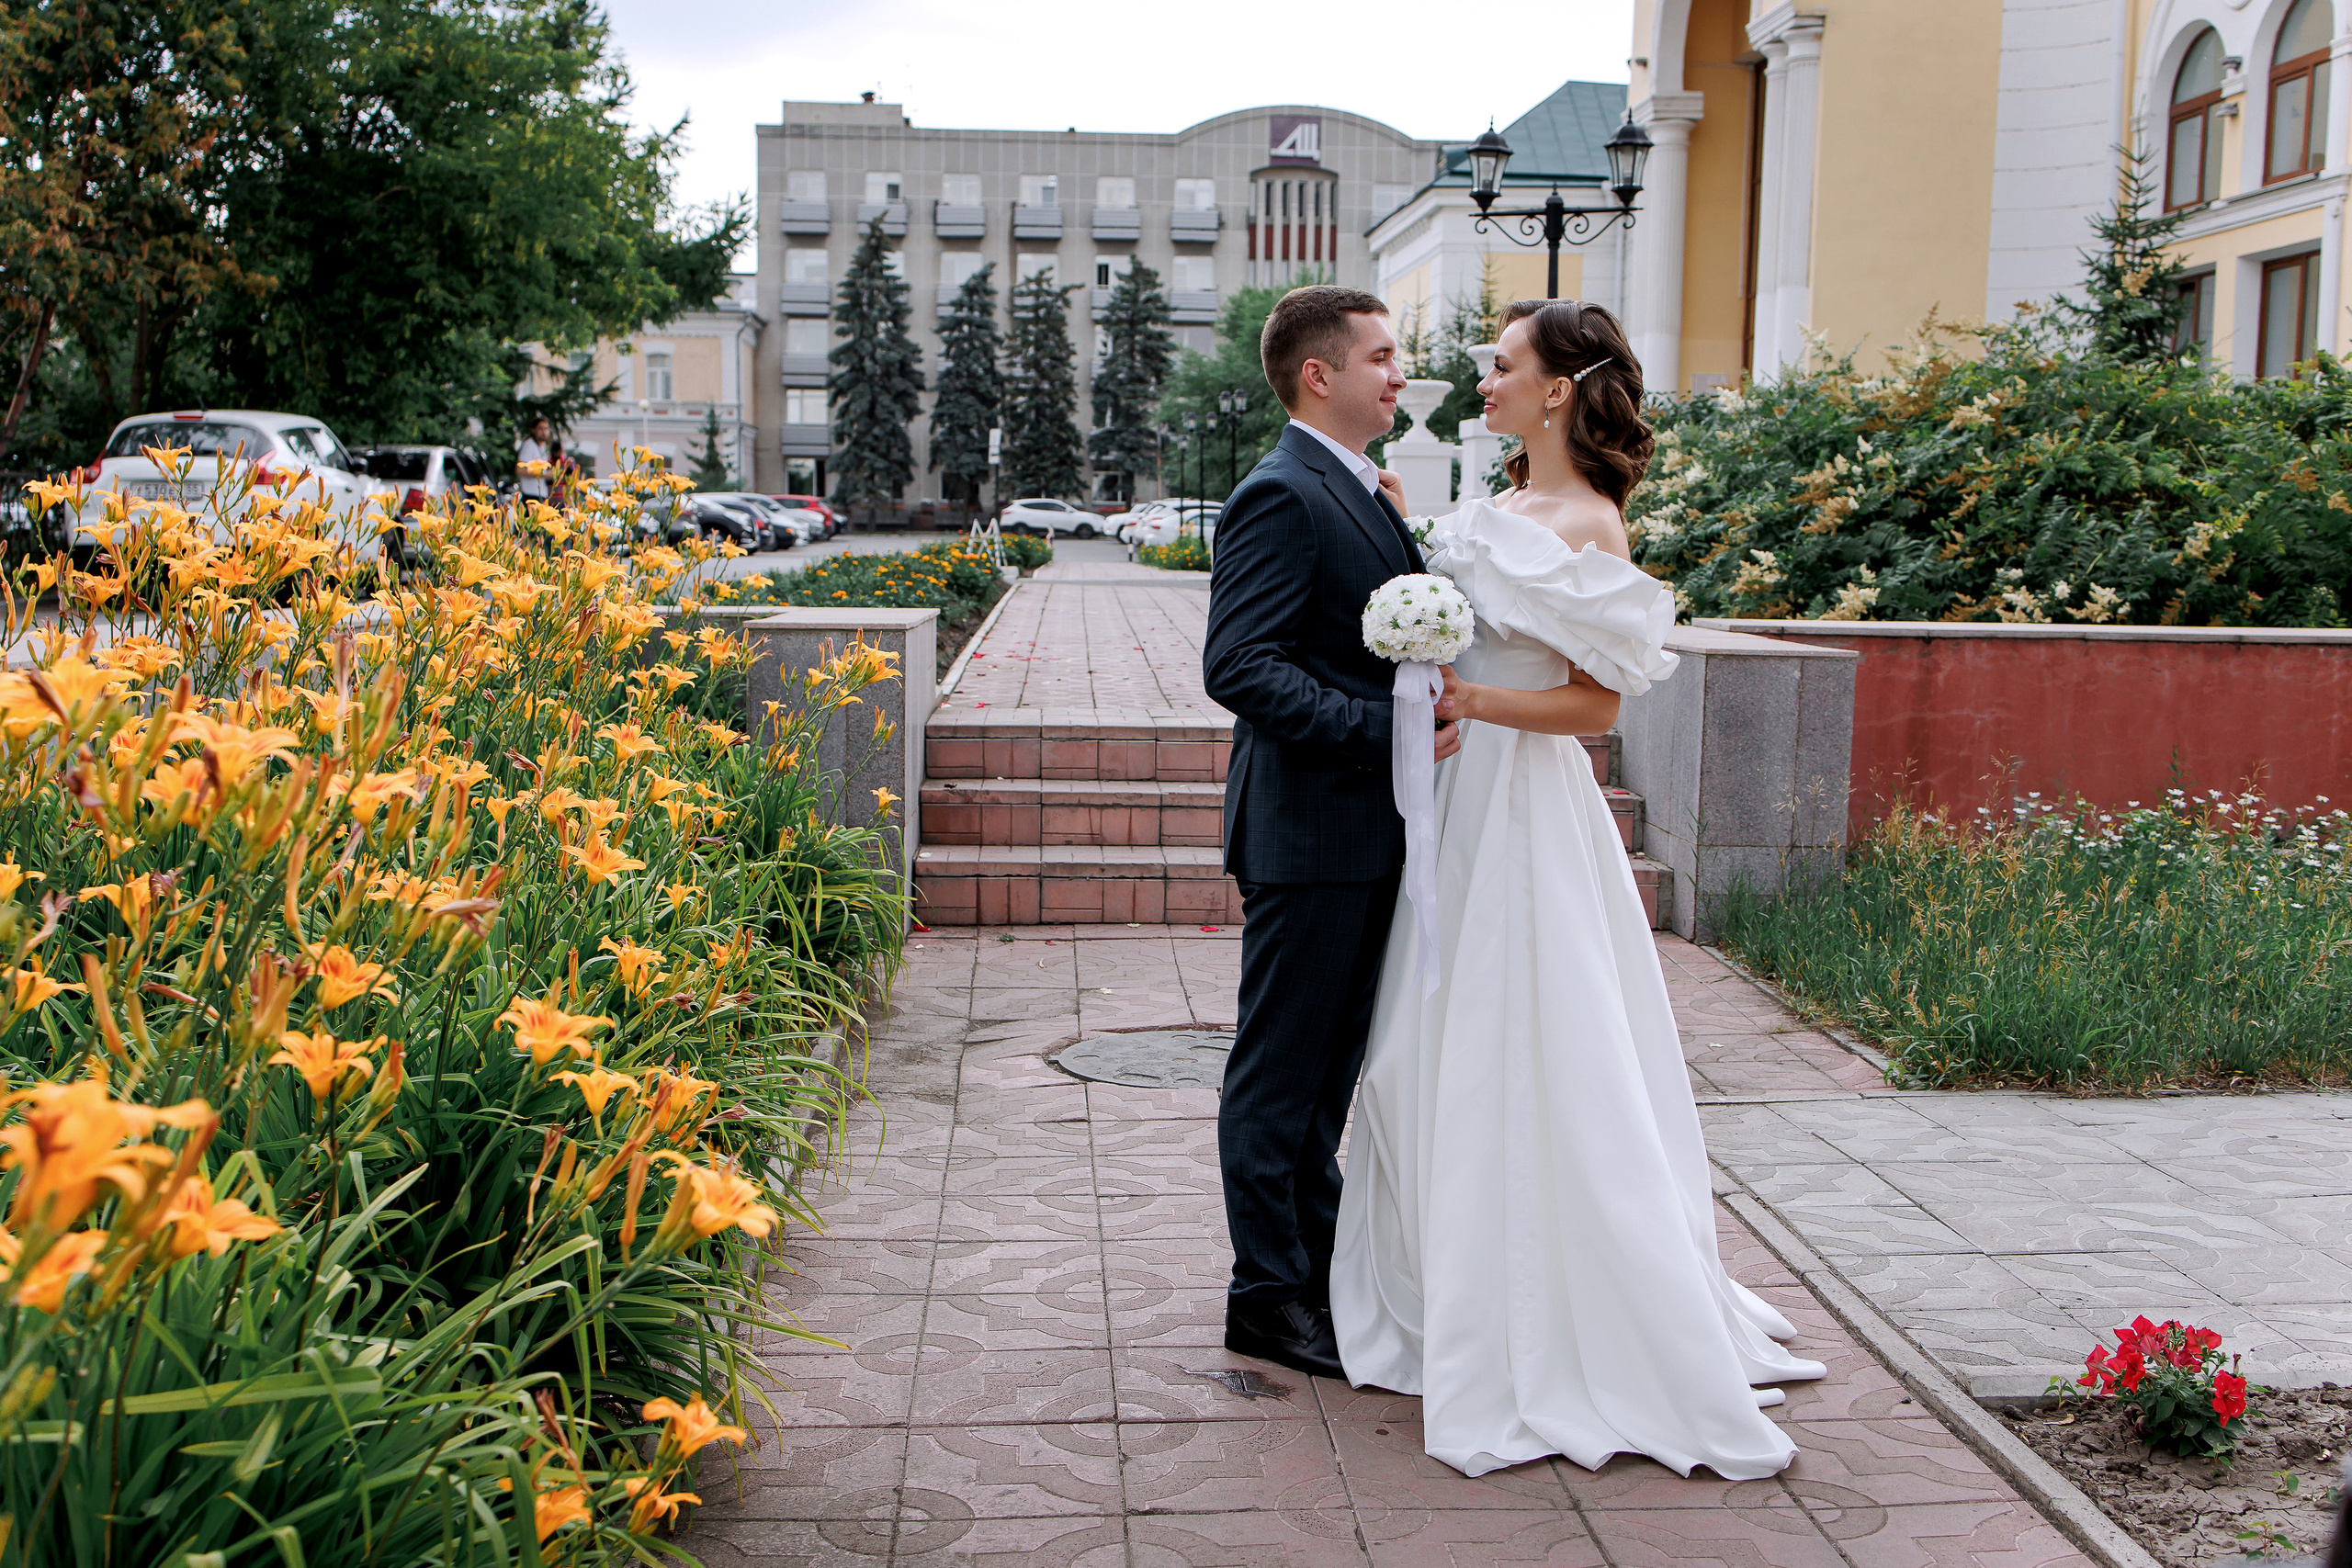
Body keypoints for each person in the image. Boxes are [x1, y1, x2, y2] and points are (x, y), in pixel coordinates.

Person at [1328, 299, 1826, 1480]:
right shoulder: (1489, 508)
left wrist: (1473, 701)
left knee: (1527, 1044)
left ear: (1556, 390)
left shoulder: (1591, 526)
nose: (1480, 381)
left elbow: (1597, 706)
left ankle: (1558, 1309)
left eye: (1499, 367)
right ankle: (1443, 1281)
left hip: (1523, 808)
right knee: (1417, 1043)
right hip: (1452, 806)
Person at [1201, 287, 1460, 1380]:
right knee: (1281, 1075)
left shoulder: (1352, 483)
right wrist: (1379, 725)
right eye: (1382, 356)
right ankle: (1264, 1295)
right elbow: (1239, 665)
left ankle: (1309, 1266)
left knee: (1325, 1076)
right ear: (1321, 374)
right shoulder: (1280, 491)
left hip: (1363, 830)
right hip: (1310, 832)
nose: (1399, 374)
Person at [516, 417, 552, 502]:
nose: (544, 432)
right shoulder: (529, 445)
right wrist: (544, 475)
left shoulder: (543, 447)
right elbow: (519, 470)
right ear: (533, 430)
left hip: (540, 493)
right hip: (530, 494)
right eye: (540, 428)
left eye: (546, 428)